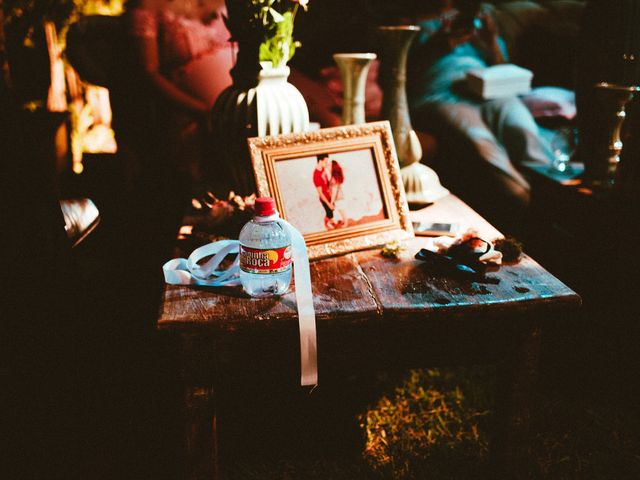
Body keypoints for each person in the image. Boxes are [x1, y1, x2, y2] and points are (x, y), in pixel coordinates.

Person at [406, 0, 552, 229]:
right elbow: (400, 75)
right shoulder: (411, 21)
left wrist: (490, 40)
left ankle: (555, 197)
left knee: (522, 127)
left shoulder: (478, 16)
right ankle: (523, 201)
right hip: (439, 91)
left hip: (487, 86)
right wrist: (437, 46)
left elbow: (503, 66)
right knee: (482, 142)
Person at [127, 0, 235, 185]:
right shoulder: (148, 7)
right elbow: (148, 73)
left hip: (239, 103)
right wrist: (202, 110)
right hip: (193, 115)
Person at [313, 153, 336, 229]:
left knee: (332, 210)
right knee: (329, 211)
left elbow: (326, 181)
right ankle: (327, 223)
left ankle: (331, 220)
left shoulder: (323, 169)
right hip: (324, 198)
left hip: (329, 195)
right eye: (325, 162)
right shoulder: (316, 175)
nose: (326, 164)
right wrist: (328, 204)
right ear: (320, 161)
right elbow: (320, 193)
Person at [328, 158, 349, 227]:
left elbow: (334, 191)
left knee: (341, 210)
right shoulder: (334, 177)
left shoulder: (333, 178)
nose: (328, 166)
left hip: (338, 197)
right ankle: (344, 221)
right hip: (339, 197)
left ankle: (346, 222)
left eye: (329, 165)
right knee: (341, 209)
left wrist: (331, 202)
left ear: (333, 167)